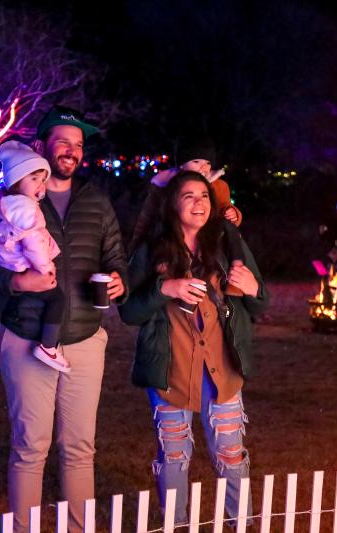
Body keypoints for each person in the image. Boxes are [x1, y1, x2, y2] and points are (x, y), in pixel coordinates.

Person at [0, 105, 128, 533]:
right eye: (63, 142)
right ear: (40, 146)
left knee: (79, 449)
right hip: (24, 336)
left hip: (85, 338)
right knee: (29, 448)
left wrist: (118, 281)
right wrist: (16, 282)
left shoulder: (96, 201)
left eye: (78, 144)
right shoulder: (7, 203)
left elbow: (115, 256)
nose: (72, 150)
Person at [119, 171, 270, 527]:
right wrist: (164, 289)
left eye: (204, 195)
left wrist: (252, 288)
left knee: (230, 453)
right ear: (173, 203)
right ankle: (174, 524)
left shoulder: (228, 243)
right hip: (171, 370)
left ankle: (241, 523)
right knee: (174, 454)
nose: (198, 202)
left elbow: (260, 302)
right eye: (188, 195)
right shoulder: (152, 249)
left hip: (222, 369)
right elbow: (128, 312)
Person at [0, 141, 67, 375]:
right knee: (57, 299)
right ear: (16, 180)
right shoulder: (27, 210)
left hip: (2, 261)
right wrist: (45, 268)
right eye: (34, 179)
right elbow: (34, 245)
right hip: (21, 266)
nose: (40, 185)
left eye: (42, 179)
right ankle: (48, 347)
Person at [129, 138, 247, 295]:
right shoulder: (164, 185)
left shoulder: (218, 185)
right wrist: (135, 248)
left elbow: (226, 205)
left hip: (210, 235)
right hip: (173, 235)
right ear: (182, 164)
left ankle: (236, 271)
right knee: (160, 227)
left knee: (230, 230)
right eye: (196, 161)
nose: (203, 167)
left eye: (208, 163)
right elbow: (146, 218)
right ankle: (166, 268)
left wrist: (232, 212)